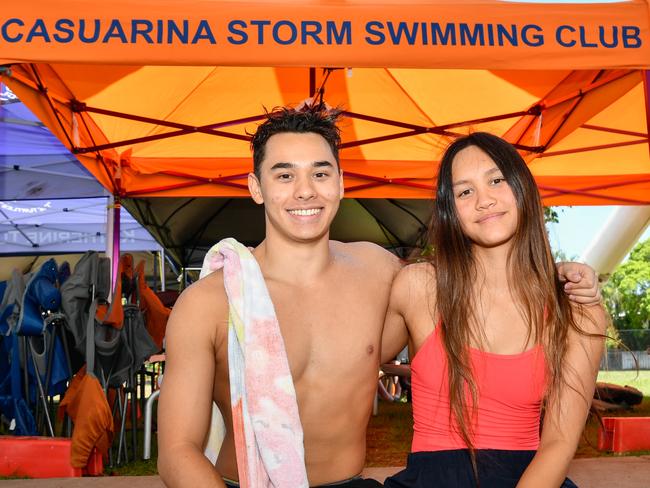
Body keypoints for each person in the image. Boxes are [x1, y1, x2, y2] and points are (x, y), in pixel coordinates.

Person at [156, 107, 601, 488]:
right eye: (284, 174)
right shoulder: (211, 304)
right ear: (256, 187)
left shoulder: (380, 273)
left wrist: (558, 277)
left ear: (341, 183)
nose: (304, 190)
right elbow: (177, 451)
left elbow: (481, 280)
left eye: (320, 172)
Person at [381, 132, 607, 488]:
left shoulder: (576, 308)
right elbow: (350, 363)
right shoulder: (420, 287)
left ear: (523, 189)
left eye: (497, 180)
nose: (484, 200)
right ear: (449, 209)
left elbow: (559, 444)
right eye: (464, 191)